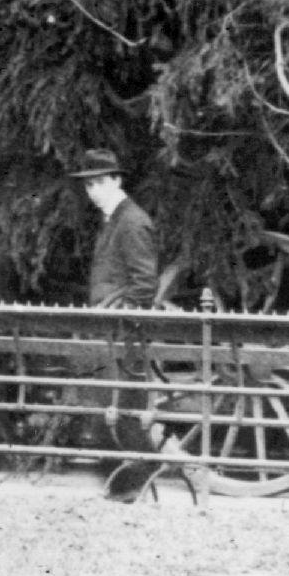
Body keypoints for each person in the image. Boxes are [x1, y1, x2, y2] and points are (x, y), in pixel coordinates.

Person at [72, 148, 173, 501]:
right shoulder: (113, 220)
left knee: (119, 411)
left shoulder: (132, 221)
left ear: (117, 180)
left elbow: (145, 284)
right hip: (110, 330)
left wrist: (119, 315)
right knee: (111, 410)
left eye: (99, 183)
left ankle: (132, 486)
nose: (93, 192)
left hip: (124, 333)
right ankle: (128, 486)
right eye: (87, 186)